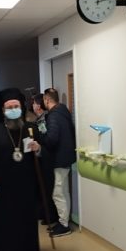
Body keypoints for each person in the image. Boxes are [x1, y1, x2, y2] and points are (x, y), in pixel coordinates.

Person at [0, 88, 42, 251]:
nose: (13, 110)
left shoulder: (30, 129)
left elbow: (41, 156)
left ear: (21, 108)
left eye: (16, 106)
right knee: (6, 221)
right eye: (9, 107)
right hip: (3, 186)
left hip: (26, 184)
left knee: (25, 218)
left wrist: (38, 149)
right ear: (2, 110)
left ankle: (26, 250)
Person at [42, 88, 76, 237]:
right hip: (67, 157)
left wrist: (42, 137)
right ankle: (63, 221)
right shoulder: (64, 111)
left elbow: (52, 139)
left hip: (59, 159)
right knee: (63, 191)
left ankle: (64, 225)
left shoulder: (53, 116)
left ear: (47, 100)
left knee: (58, 193)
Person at [31, 94, 58, 227]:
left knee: (48, 187)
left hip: (47, 158)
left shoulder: (44, 119)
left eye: (34, 103)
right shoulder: (38, 119)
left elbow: (45, 139)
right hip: (41, 157)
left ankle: (50, 215)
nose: (32, 106)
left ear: (38, 106)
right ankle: (44, 212)